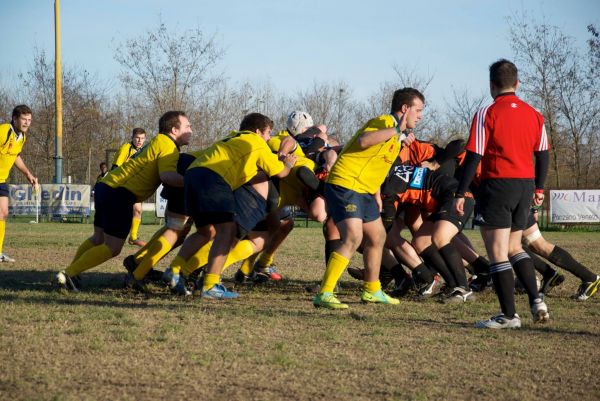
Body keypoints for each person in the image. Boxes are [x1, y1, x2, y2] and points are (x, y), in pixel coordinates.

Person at [455, 59, 550, 329]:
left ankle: (508, 316)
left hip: (498, 185)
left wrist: (461, 192)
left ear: (491, 86)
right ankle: (536, 300)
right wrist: (539, 187)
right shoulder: (535, 114)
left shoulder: (487, 112)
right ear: (517, 84)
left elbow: (474, 155)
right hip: (525, 186)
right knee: (514, 247)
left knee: (498, 252)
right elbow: (543, 154)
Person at [55, 111, 191, 291]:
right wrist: (195, 181)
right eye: (187, 126)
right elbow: (167, 176)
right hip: (119, 193)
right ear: (174, 130)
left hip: (106, 187)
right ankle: (69, 274)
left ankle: (71, 273)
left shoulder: (160, 141)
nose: (191, 129)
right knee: (113, 247)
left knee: (98, 238)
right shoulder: (168, 146)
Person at [312, 87, 422, 309]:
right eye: (418, 110)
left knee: (378, 236)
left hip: (364, 190)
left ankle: (372, 289)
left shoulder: (396, 136)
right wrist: (395, 131)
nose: (420, 116)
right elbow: (363, 141)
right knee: (353, 237)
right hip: (345, 184)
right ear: (405, 108)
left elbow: (374, 164)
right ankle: (324, 293)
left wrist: (376, 195)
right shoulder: (383, 122)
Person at [169, 113, 296, 299]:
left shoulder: (232, 136)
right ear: (258, 131)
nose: (269, 137)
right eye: (268, 133)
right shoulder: (256, 142)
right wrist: (289, 163)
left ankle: (174, 270)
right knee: (227, 232)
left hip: (193, 175)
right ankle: (211, 285)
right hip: (215, 179)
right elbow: (281, 173)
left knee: (205, 232)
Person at [0, 105, 38, 263]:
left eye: (29, 120)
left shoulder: (22, 137)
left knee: (3, 213)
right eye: (24, 119)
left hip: (1, 179)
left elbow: (15, 156)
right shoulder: (4, 131)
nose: (27, 123)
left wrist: (28, 174)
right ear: (15, 118)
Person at [112, 128, 147, 246]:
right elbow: (115, 167)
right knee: (123, 212)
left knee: (137, 210)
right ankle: (111, 235)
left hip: (135, 184)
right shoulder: (125, 148)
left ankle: (133, 237)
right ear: (132, 138)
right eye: (137, 138)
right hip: (123, 184)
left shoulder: (143, 151)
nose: (139, 140)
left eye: (142, 138)